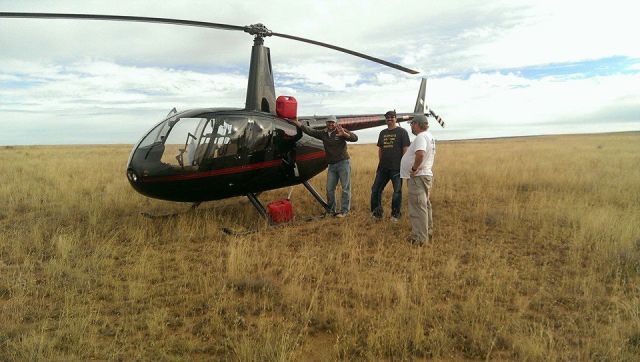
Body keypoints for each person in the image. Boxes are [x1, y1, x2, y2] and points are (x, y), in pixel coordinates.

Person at [289, 116, 358, 217]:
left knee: (345, 188)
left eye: (333, 123)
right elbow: (310, 131)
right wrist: (297, 122)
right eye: (329, 122)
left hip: (343, 163)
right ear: (326, 123)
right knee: (330, 188)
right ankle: (331, 210)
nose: (331, 124)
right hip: (331, 165)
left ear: (335, 123)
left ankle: (344, 211)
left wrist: (345, 135)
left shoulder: (341, 130)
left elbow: (355, 138)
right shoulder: (323, 133)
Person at [400, 114, 436, 245]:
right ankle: (427, 232)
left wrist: (414, 169)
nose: (411, 127)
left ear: (417, 124)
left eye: (411, 124)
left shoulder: (421, 137)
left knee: (417, 207)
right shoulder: (429, 136)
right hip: (425, 176)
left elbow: (420, 154)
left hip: (418, 177)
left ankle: (420, 239)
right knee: (424, 205)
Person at [370, 110, 410, 221]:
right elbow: (380, 149)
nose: (389, 119)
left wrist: (403, 165)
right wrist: (381, 162)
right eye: (387, 117)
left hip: (396, 168)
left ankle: (395, 215)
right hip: (383, 167)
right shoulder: (382, 133)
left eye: (392, 117)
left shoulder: (402, 132)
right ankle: (376, 214)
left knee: (397, 192)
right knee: (375, 190)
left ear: (396, 118)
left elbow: (405, 149)